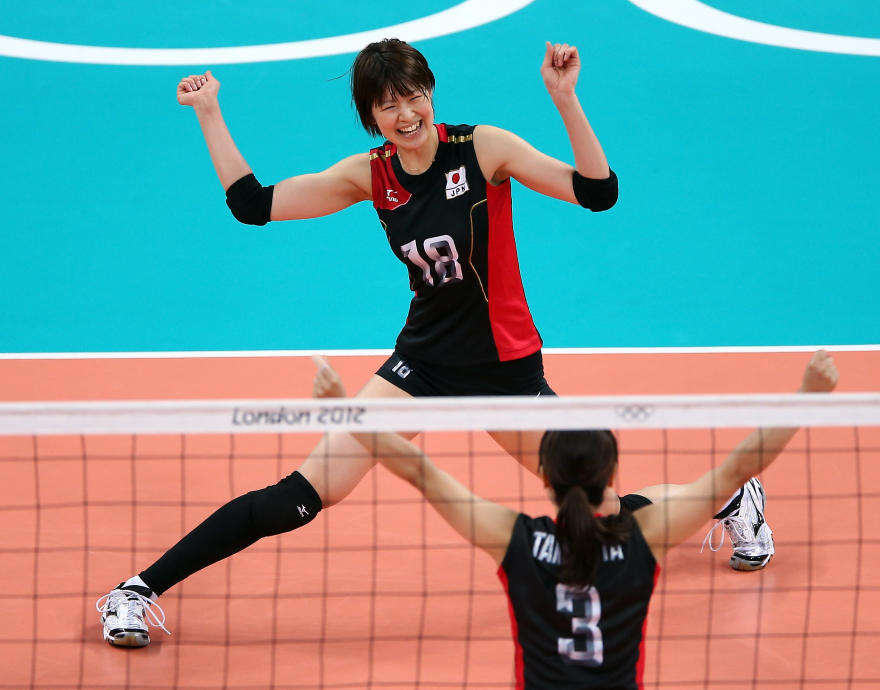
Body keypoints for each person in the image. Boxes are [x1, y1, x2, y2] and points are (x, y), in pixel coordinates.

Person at [96, 38, 747, 647]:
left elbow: (597, 192)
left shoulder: (483, 148)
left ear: (430, 92)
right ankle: (137, 590)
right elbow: (253, 204)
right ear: (371, 116)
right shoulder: (370, 174)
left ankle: (730, 498)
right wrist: (209, 111)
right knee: (302, 493)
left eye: (415, 96)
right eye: (389, 104)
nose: (407, 113)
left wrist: (564, 98)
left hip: (506, 371)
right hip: (422, 362)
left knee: (598, 519)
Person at [348, 350, 838, 689]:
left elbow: (421, 473)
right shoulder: (642, 542)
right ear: (613, 473)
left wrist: (344, 414)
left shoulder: (517, 542)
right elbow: (737, 468)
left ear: (545, 479)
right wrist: (807, 396)